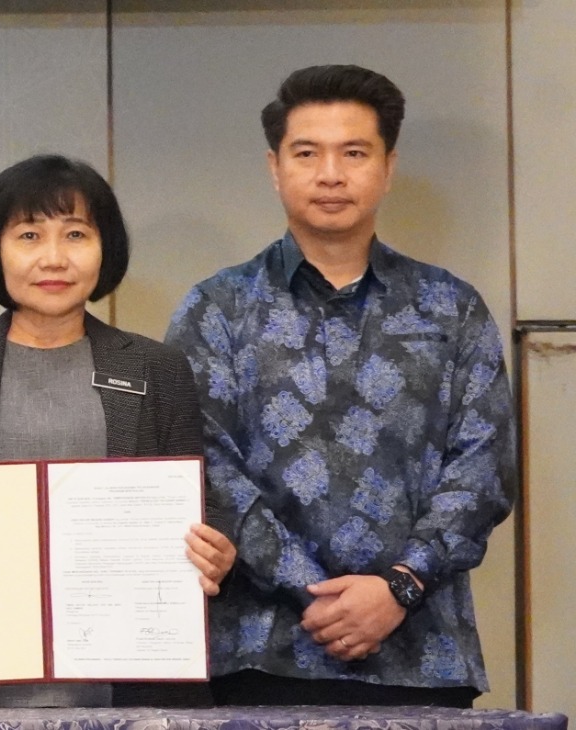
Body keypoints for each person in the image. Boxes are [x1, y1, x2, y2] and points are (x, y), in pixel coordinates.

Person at [167, 64, 513, 708]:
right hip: (260, 652)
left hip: (421, 653)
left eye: (354, 153)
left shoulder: (452, 307)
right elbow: (204, 465)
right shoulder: (216, 307)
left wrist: (399, 587)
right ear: (275, 168)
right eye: (307, 153)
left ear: (388, 167)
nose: (331, 174)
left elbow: (483, 468)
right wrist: (313, 592)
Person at [0, 154, 236, 707]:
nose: (54, 258)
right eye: (29, 235)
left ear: (105, 249)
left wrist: (215, 546)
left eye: (76, 234)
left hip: (133, 681)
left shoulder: (157, 368)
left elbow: (202, 503)